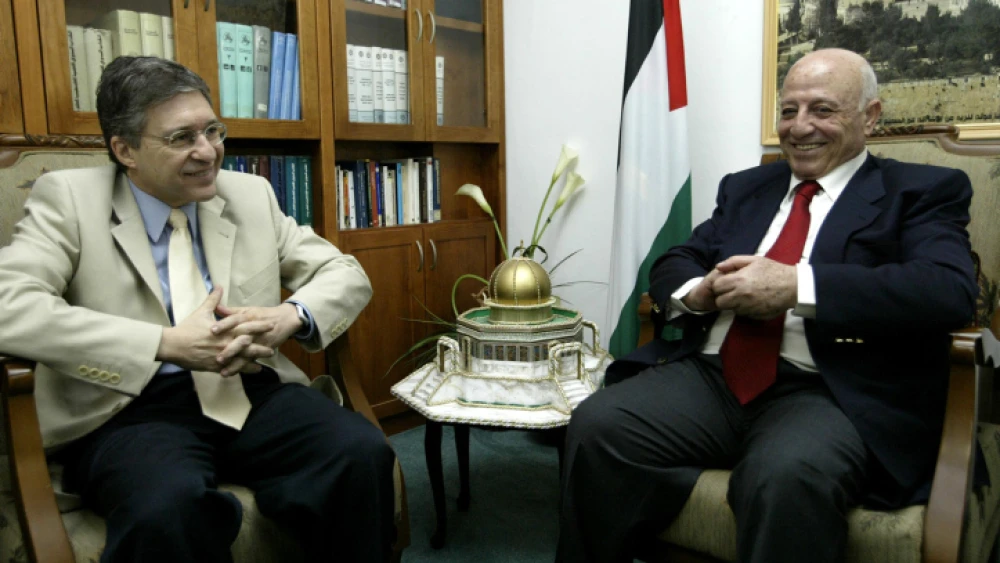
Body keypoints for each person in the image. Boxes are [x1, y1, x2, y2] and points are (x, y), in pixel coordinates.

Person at [556, 48, 979, 562]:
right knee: (598, 425)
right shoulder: (747, 188)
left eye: (823, 110)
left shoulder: (919, 191)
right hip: (714, 376)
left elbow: (945, 289)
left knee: (785, 476)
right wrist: (700, 291)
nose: (800, 128)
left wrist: (798, 286)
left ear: (869, 115)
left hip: (831, 389)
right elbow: (679, 257)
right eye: (788, 110)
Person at [0, 56, 395, 562]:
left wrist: (289, 316)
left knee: (359, 452)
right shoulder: (70, 200)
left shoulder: (249, 193)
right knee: (167, 507)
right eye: (181, 138)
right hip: (131, 409)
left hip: (250, 391)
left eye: (212, 130)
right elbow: (10, 304)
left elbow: (344, 273)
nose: (208, 152)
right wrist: (162, 345)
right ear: (126, 150)